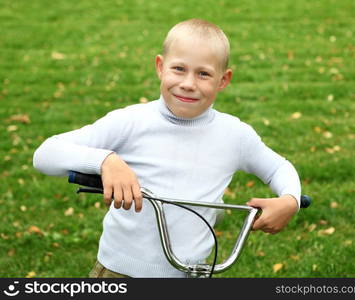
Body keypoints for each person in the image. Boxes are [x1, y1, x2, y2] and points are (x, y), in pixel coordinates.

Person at [33, 18, 301, 278]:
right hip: (117, 273)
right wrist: (105, 161)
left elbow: (278, 167)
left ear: (223, 80)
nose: (188, 83)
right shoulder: (131, 121)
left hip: (193, 274)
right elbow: (46, 154)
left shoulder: (235, 135)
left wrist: (290, 200)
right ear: (160, 67)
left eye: (204, 74)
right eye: (179, 69)